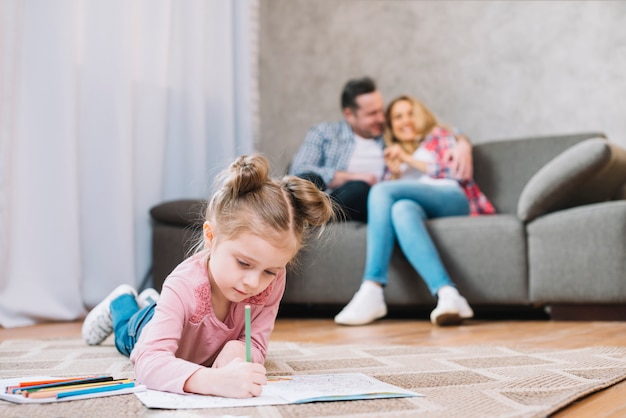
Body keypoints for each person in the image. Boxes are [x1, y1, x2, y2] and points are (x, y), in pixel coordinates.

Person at [81, 154, 334, 398]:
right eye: (244, 263)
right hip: (146, 326)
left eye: (269, 271)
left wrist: (241, 350)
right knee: (128, 334)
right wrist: (211, 380)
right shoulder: (182, 287)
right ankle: (122, 301)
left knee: (162, 310)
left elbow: (256, 344)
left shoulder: (274, 278)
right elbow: (148, 361)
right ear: (211, 237)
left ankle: (150, 302)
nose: (254, 283)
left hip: (178, 318)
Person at [334, 95, 495, 327]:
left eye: (410, 113)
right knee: (401, 210)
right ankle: (448, 294)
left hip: (451, 198)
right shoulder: (393, 153)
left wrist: (408, 158)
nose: (405, 120)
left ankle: (372, 288)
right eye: (398, 117)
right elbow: (390, 199)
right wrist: (396, 171)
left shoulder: (438, 136)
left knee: (380, 191)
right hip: (420, 206)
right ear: (391, 126)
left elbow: (455, 171)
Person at [289, 76, 474, 222]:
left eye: (381, 110)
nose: (381, 118)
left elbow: (434, 130)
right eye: (372, 114)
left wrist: (463, 145)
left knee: (359, 189)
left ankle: (312, 223)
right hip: (329, 197)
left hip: (367, 201)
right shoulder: (325, 133)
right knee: (308, 179)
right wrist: (350, 176)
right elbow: (298, 171)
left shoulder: (390, 135)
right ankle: (308, 218)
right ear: (349, 115)